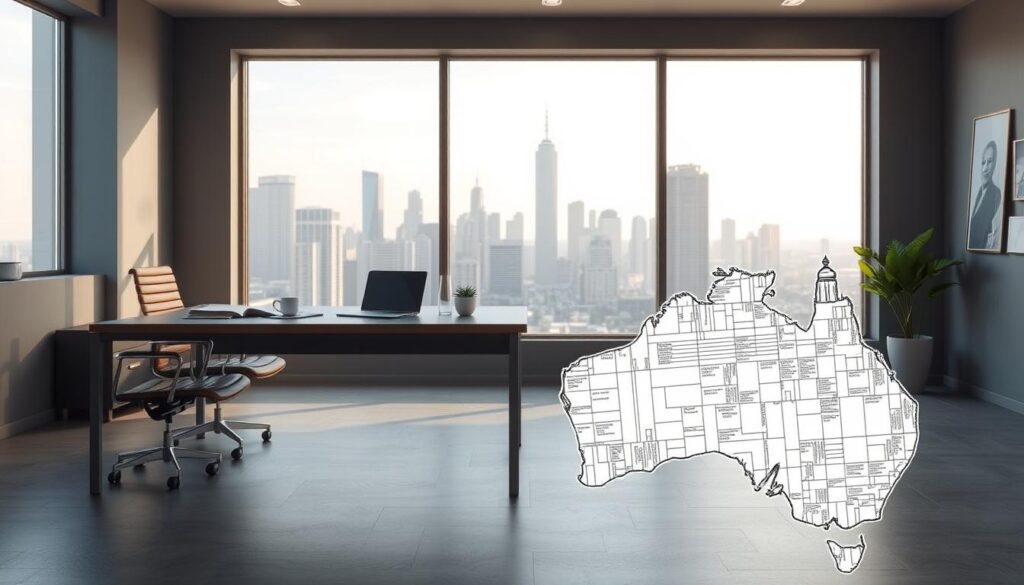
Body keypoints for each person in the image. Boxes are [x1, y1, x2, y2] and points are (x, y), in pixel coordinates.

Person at [968, 140, 1003, 250]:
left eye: (989, 161)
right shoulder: (977, 192)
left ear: (995, 164)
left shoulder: (996, 193)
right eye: (983, 162)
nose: (985, 167)